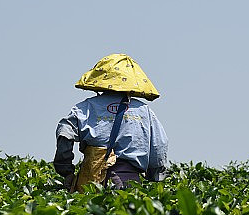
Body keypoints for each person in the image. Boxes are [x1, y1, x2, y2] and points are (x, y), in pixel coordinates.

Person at [53, 53, 169, 190]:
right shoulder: (144, 111)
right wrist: (155, 176)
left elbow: (64, 133)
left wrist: (66, 170)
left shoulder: (85, 107)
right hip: (129, 183)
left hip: (91, 182)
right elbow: (159, 147)